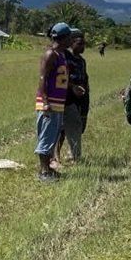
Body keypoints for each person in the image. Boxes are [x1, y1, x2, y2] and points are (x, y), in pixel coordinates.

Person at [34, 23, 71, 181]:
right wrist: (46, 102)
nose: (71, 40)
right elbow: (43, 79)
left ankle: (48, 167)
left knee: (53, 136)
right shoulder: (50, 54)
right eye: (70, 37)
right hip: (49, 103)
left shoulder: (61, 55)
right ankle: (44, 171)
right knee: (47, 136)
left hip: (58, 103)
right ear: (63, 38)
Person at [58, 29, 89, 163]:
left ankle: (73, 154)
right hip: (67, 98)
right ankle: (56, 156)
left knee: (78, 126)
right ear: (71, 43)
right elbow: (61, 76)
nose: (82, 47)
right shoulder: (65, 58)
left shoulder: (81, 61)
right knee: (62, 129)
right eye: (79, 44)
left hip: (80, 98)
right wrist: (72, 87)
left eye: (84, 44)